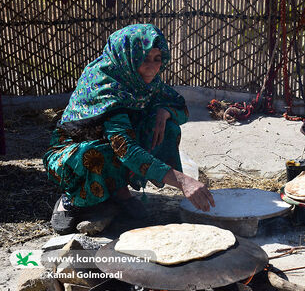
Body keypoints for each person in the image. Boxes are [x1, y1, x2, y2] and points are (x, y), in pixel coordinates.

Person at [43, 24, 215, 235]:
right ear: (128, 57)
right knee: (95, 154)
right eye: (144, 59)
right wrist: (183, 181)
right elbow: (126, 149)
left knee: (166, 128)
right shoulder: (105, 85)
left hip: (114, 145)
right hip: (73, 154)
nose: (152, 67)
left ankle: (118, 190)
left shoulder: (144, 82)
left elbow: (180, 107)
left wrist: (165, 111)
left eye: (157, 59)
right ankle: (72, 200)